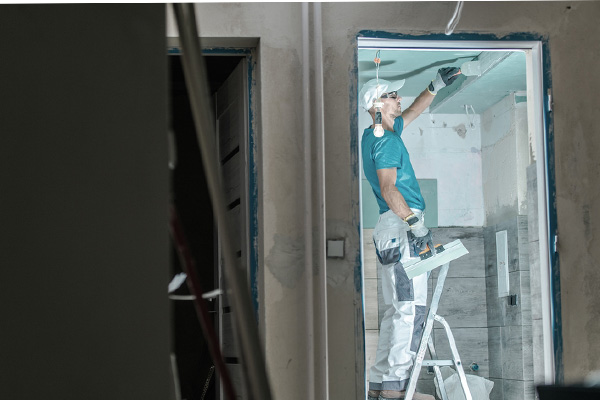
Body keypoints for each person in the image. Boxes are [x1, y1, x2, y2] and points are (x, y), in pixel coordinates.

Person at [360, 67, 460, 400]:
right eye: (391, 96)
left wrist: (435, 86)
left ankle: (381, 384)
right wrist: (415, 225)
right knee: (410, 309)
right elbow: (389, 189)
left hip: (391, 226)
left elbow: (414, 110)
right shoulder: (386, 141)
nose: (398, 99)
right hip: (401, 223)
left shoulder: (378, 133)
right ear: (376, 103)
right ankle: (395, 389)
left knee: (398, 308)